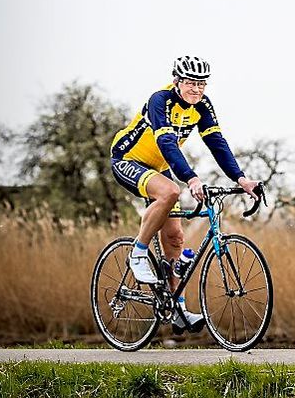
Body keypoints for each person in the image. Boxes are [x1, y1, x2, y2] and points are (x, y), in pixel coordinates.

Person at [110, 55, 260, 333]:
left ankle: (177, 307)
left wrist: (242, 179)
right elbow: (167, 143)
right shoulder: (161, 100)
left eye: (201, 84)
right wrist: (191, 178)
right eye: (191, 82)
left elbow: (217, 143)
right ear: (178, 81)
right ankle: (138, 253)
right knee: (170, 192)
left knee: (176, 239)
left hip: (158, 167)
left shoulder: (202, 106)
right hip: (127, 159)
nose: (197, 89)